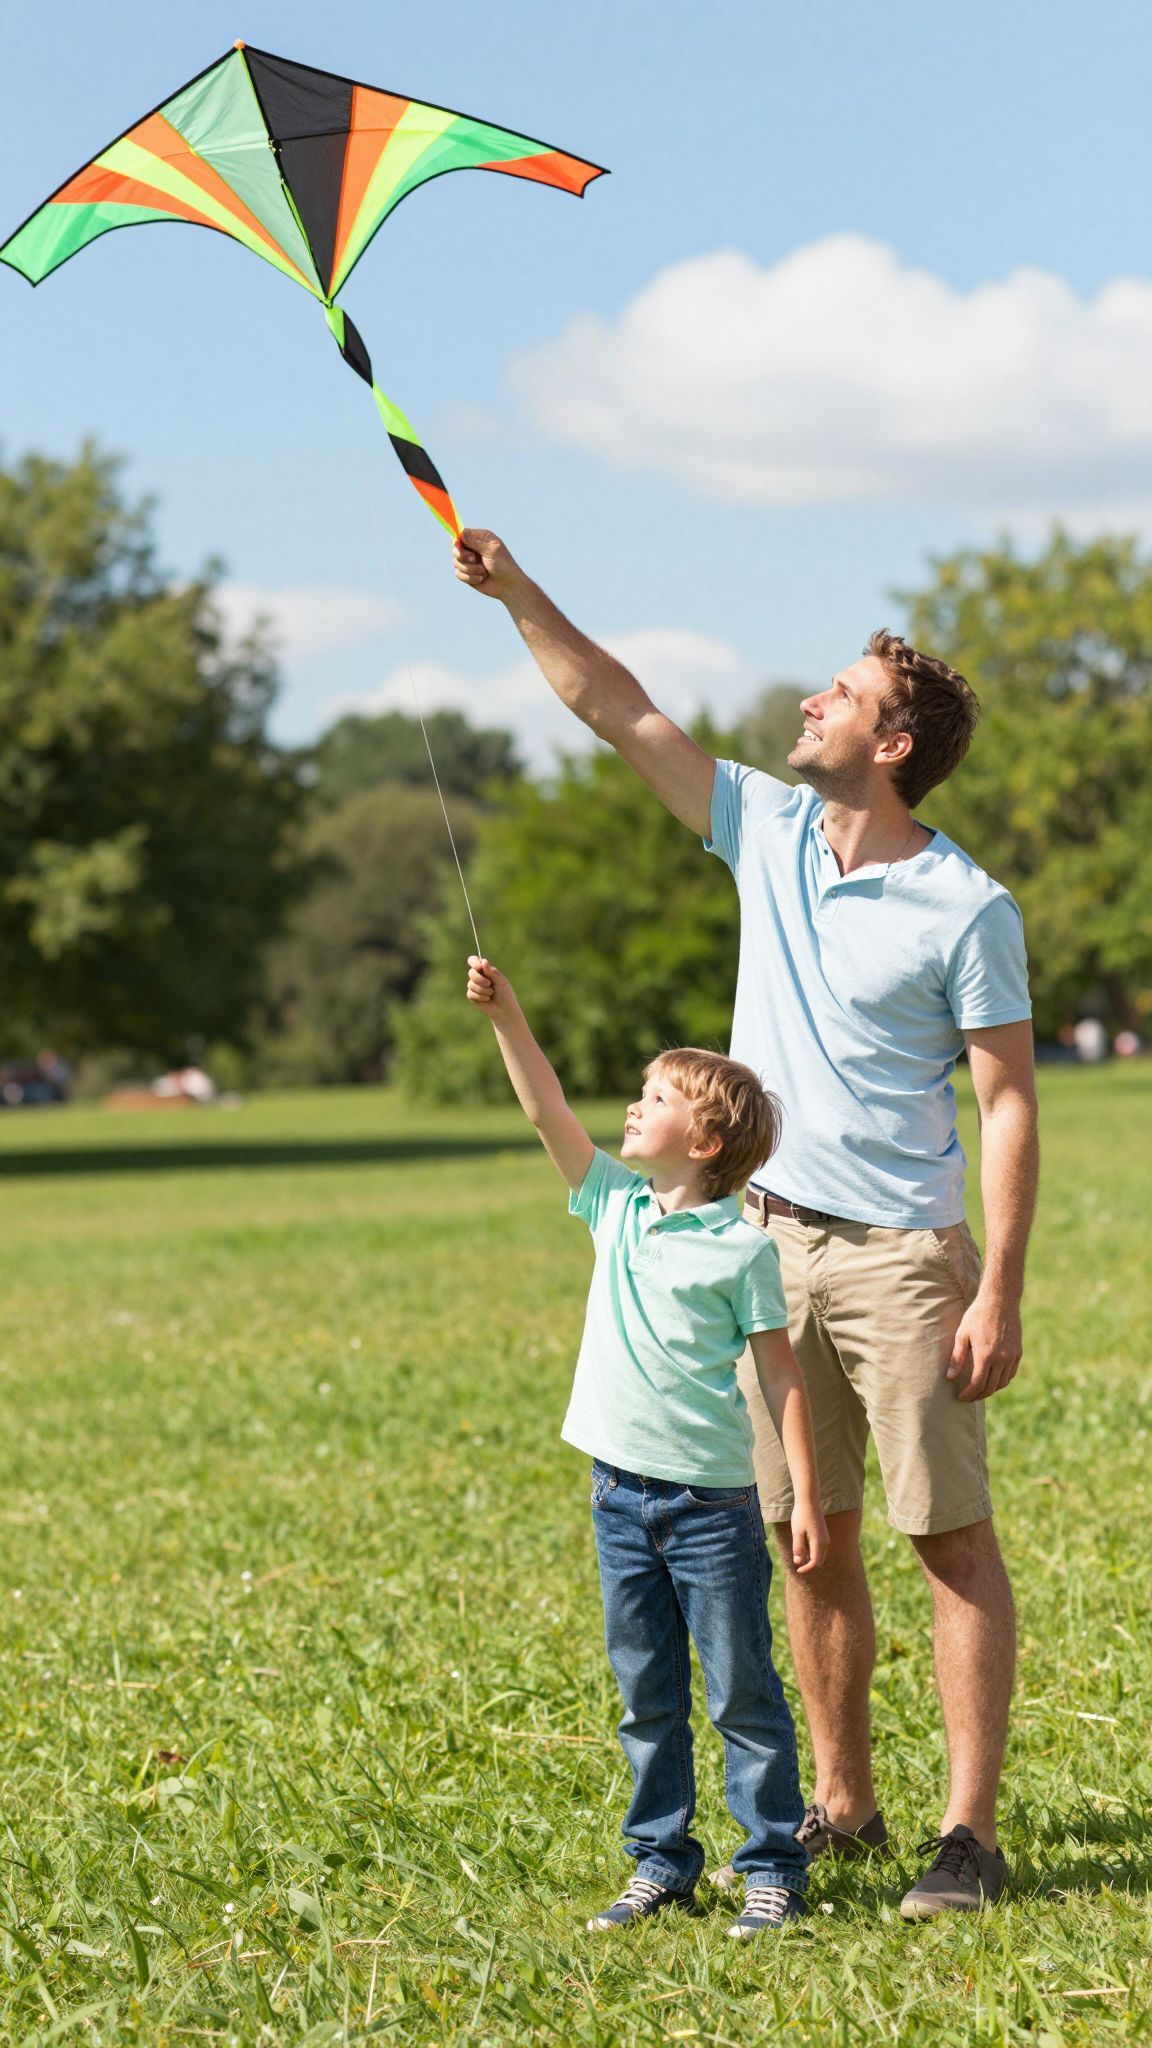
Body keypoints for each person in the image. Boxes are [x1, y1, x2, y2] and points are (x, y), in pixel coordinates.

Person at [454, 531, 1039, 1920]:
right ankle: (841, 1808)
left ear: (893, 742)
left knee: (946, 1539)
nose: (805, 709)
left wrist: (997, 1285)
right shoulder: (767, 827)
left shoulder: (968, 906)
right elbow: (616, 707)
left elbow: (1008, 1101)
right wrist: (520, 591)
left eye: (835, 696)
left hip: (902, 1255)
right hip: (761, 1243)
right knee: (808, 1535)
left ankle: (970, 1836)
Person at [465, 954, 827, 1938]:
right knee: (646, 1691)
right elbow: (547, 1113)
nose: (632, 1107)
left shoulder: (744, 1248)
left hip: (713, 1509)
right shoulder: (615, 1209)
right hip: (617, 1496)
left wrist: (798, 1489)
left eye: (654, 1096)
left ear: (705, 1139)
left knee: (742, 1689)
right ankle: (661, 1859)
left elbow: (783, 1377)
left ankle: (772, 1863)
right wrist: (508, 1015)